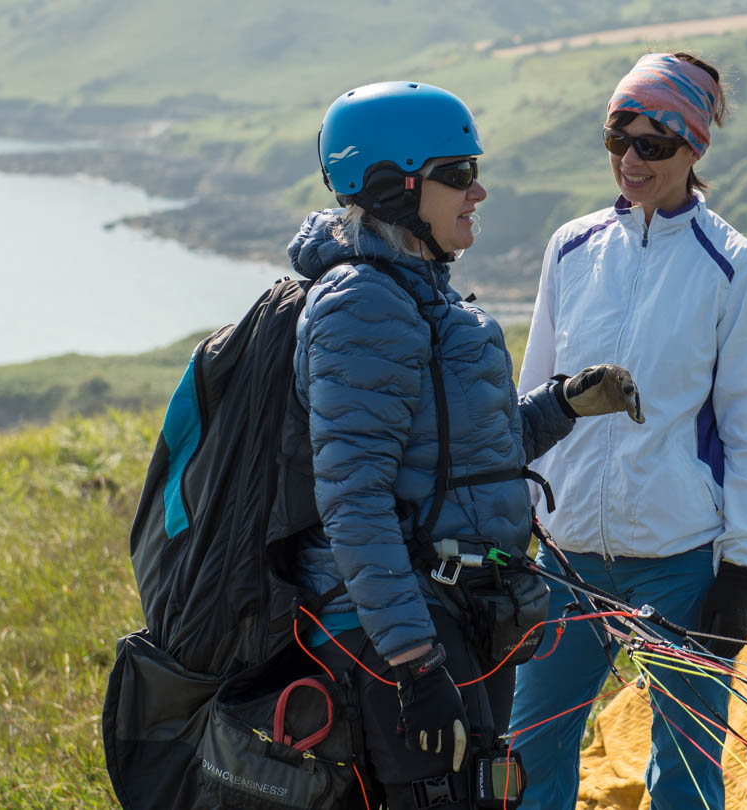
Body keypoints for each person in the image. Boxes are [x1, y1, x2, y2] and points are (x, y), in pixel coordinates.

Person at [287, 81, 643, 810]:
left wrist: (565, 404)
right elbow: (355, 503)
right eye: (458, 174)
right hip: (406, 628)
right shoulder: (363, 306)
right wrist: (416, 665)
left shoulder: (422, 292)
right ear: (391, 186)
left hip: (463, 610)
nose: (477, 191)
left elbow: (462, 458)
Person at [510, 53, 747, 808]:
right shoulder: (570, 248)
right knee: (527, 755)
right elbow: (531, 400)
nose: (630, 160)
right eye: (616, 139)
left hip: (679, 559)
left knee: (687, 772)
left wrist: (739, 570)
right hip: (563, 561)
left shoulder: (734, 268)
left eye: (652, 145)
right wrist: (510, 525)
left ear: (693, 148)